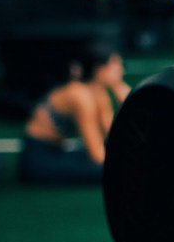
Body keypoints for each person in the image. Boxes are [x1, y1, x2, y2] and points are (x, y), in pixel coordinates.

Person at [18, 41, 128, 184]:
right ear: (99, 69)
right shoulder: (80, 96)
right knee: (115, 171)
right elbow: (97, 156)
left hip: (57, 151)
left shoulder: (99, 93)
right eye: (116, 66)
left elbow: (113, 139)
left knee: (122, 165)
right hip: (37, 159)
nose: (121, 71)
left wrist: (124, 102)